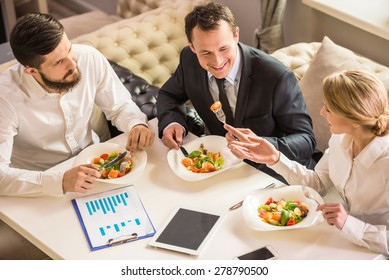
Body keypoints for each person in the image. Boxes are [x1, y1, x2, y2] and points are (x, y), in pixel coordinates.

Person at [225, 69, 389, 255]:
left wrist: (349, 224)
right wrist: (276, 158)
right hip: (342, 238)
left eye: (328, 108)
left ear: (354, 119)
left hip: (375, 251)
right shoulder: (340, 139)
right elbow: (317, 184)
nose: (321, 111)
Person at [0, 13, 155, 197]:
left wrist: (135, 123)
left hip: (98, 164)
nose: (73, 63)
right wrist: (59, 181)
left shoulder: (88, 58)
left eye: (69, 49)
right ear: (31, 71)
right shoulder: (5, 98)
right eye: (59, 61)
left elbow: (120, 106)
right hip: (40, 183)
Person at [156, 2, 317, 178]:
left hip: (269, 173)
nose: (217, 62)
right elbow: (169, 94)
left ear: (236, 35)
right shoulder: (189, 59)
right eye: (206, 53)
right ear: (192, 47)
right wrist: (172, 122)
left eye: (223, 48)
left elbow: (306, 140)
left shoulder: (277, 76)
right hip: (220, 167)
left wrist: (262, 146)